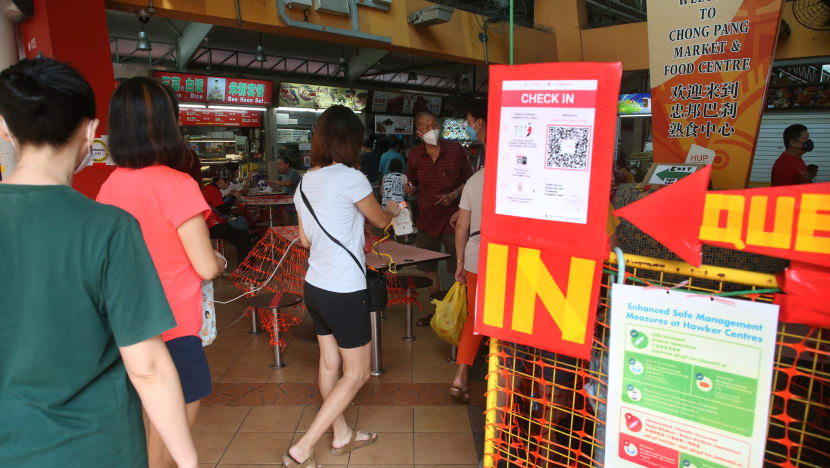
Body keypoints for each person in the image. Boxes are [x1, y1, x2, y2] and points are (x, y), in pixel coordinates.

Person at [0, 58, 198, 467]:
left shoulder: (110, 204)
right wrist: (188, 460)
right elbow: (147, 367)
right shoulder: (108, 229)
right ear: (91, 132)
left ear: (4, 127)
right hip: (96, 448)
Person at [97, 76, 225, 468]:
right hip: (174, 323)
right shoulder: (178, 185)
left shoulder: (108, 187)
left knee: (153, 415)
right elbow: (205, 265)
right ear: (170, 124)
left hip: (129, 325)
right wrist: (220, 261)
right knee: (175, 418)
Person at [288, 105, 401, 468]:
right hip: (344, 289)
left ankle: (341, 434)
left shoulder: (305, 182)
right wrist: (395, 209)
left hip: (315, 286)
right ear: (350, 141)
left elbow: (304, 240)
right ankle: (303, 448)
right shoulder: (351, 178)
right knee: (358, 373)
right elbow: (380, 219)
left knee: (329, 363)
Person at [406, 111, 472, 321]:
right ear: (418, 133)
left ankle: (459, 313)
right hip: (426, 221)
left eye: (434, 124)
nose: (431, 129)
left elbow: (469, 182)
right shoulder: (414, 155)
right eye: (425, 127)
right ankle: (438, 313)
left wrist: (453, 196)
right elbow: (413, 184)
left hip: (454, 221)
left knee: (459, 269)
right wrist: (410, 189)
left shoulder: (455, 150)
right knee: (429, 270)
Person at [449, 102, 487, 402]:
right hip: (515, 258)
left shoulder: (476, 180)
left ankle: (460, 375)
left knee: (476, 318)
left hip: (477, 255)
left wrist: (460, 262)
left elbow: (461, 226)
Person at [202, 167, 253, 261]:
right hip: (213, 226)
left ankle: (245, 264)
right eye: (228, 182)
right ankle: (245, 266)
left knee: (241, 232)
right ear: (221, 180)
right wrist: (233, 198)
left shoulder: (209, 188)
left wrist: (228, 197)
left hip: (210, 225)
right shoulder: (212, 190)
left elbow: (219, 206)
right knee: (242, 235)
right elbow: (223, 210)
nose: (229, 184)